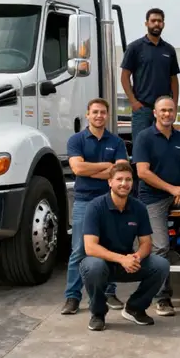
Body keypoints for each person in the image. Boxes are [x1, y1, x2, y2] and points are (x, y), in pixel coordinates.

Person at [132, 95, 180, 316]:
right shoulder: (144, 137)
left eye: (170, 110)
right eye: (163, 110)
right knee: (159, 248)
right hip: (153, 198)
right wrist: (173, 189)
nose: (167, 114)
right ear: (155, 113)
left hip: (178, 192)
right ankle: (163, 298)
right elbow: (142, 172)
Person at [79, 161, 171, 331]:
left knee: (161, 265)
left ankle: (134, 308)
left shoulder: (139, 208)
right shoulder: (96, 207)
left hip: (127, 262)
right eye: (119, 179)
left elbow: (146, 243)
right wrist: (122, 259)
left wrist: (136, 257)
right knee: (93, 267)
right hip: (102, 263)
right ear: (110, 182)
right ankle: (98, 313)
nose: (124, 183)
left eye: (128, 179)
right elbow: (90, 247)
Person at [60, 98, 128, 316]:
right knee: (79, 249)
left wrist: (97, 171)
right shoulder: (76, 140)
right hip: (84, 200)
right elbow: (78, 169)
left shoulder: (116, 142)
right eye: (95, 112)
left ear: (107, 116)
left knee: (112, 247)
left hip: (109, 201)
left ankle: (109, 292)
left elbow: (119, 173)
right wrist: (106, 167)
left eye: (103, 112)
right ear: (87, 115)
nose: (99, 116)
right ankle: (72, 297)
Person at [120, 7, 180, 143]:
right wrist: (133, 102)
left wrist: (174, 105)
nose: (156, 24)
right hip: (143, 109)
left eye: (159, 21)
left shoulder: (169, 50)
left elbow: (174, 79)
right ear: (146, 23)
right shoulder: (135, 47)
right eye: (153, 21)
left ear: (163, 24)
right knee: (141, 147)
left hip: (164, 111)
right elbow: (124, 76)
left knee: (163, 146)